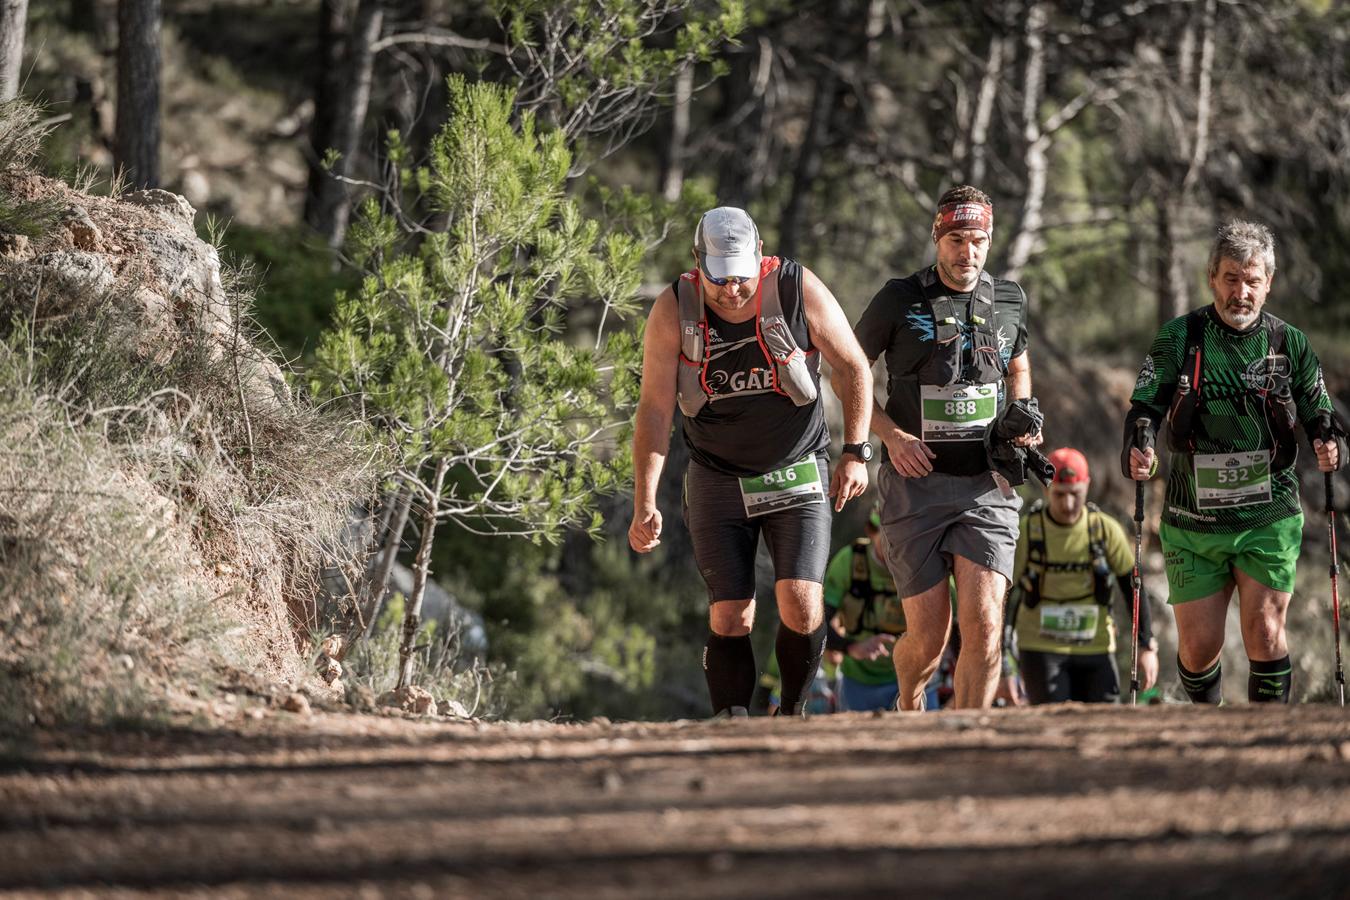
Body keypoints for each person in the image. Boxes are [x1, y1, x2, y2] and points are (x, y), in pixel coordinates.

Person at [628, 206, 874, 717]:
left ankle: (791, 713)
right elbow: (654, 410)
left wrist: (855, 451)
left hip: (795, 466)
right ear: (698, 264)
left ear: (758, 259)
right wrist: (644, 500)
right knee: (731, 614)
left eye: (741, 278)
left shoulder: (794, 289)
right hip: (717, 476)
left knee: (801, 600)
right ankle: (730, 724)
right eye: (719, 281)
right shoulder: (675, 310)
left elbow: (853, 367)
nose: (732, 291)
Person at [1124, 220, 1344, 704]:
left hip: (1269, 514)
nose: (1240, 292)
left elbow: (1319, 412)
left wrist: (1329, 439)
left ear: (1269, 282)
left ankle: (1266, 741)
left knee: (1265, 631)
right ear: (1211, 278)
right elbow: (1144, 408)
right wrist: (1139, 443)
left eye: (1251, 280)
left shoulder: (1290, 344)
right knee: (1200, 649)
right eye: (1230, 278)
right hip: (1193, 517)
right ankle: (1210, 727)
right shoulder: (1180, 337)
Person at [854, 185, 1039, 710]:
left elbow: (1018, 364)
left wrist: (1020, 414)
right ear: (938, 237)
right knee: (931, 639)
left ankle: (968, 739)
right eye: (957, 239)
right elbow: (848, 374)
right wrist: (889, 434)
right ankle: (910, 702)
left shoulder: (1008, 299)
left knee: (984, 624)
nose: (968, 252)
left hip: (988, 484)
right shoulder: (899, 298)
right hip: (914, 487)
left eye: (978, 240)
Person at [1010, 447, 1159, 704]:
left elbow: (1132, 588)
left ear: (1086, 487)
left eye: (1074, 494)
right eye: (1059, 495)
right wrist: (1003, 663)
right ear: (1047, 489)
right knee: (1051, 721)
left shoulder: (1104, 530)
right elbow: (1005, 596)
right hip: (1041, 647)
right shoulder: (1029, 531)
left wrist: (1146, 645)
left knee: (1105, 722)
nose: (1068, 504)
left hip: (1096, 646)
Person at [822, 509, 942, 712]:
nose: (895, 547)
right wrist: (851, 647)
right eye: (889, 536)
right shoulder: (849, 561)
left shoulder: (927, 562)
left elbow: (960, 623)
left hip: (919, 679)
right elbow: (817, 620)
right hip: (860, 682)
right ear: (871, 531)